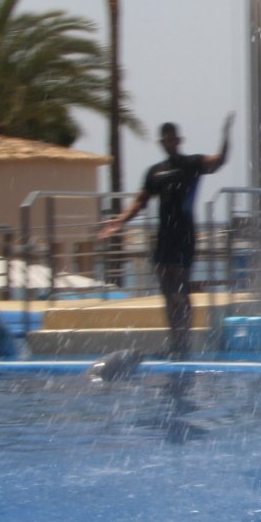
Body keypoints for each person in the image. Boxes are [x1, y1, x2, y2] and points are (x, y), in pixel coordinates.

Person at [98, 113, 234, 357]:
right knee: (167, 293)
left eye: (173, 139)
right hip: (164, 237)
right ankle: (175, 342)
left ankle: (185, 343)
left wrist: (225, 135)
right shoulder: (155, 173)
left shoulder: (191, 164)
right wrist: (119, 221)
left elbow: (220, 161)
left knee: (181, 292)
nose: (170, 143)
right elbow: (140, 201)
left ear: (179, 140)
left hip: (184, 236)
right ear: (162, 143)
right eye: (166, 140)